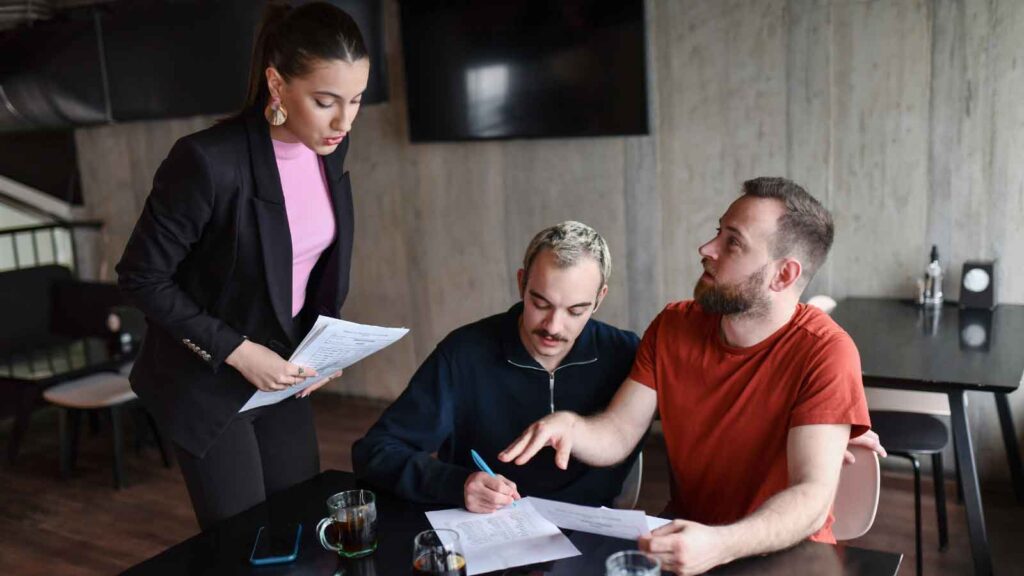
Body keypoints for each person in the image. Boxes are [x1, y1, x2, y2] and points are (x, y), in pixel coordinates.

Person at [500, 178, 876, 574]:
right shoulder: (674, 325)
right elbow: (619, 431)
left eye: (733, 242)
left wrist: (720, 544)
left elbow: (812, 498)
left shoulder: (826, 351)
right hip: (684, 541)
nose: (707, 249)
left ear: (783, 275)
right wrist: (571, 428)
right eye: (718, 232)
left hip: (786, 556)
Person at [116, 2, 370, 529]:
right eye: (325, 101)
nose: (343, 121)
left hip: (282, 370)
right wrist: (236, 350)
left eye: (356, 101)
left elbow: (303, 268)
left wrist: (328, 342)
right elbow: (142, 277)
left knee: (302, 521)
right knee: (241, 543)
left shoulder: (328, 153)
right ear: (277, 85)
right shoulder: (206, 161)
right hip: (207, 378)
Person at [352, 221, 643, 513]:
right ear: (521, 284)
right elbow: (375, 452)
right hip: (487, 526)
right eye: (540, 303)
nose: (553, 326)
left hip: (591, 533)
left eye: (575, 311)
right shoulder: (465, 353)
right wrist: (456, 484)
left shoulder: (625, 353)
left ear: (599, 299)